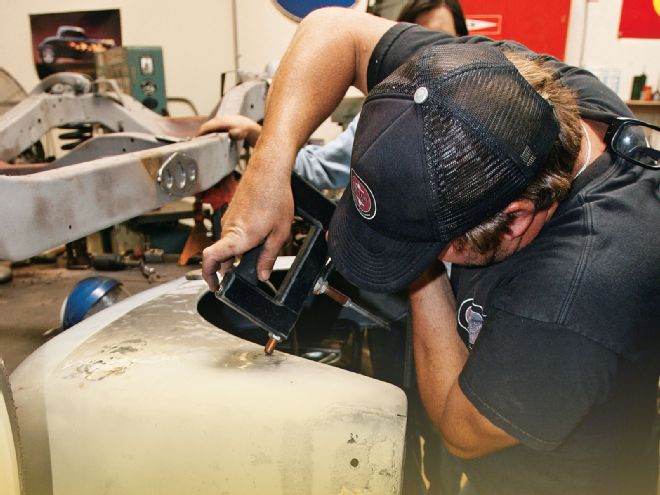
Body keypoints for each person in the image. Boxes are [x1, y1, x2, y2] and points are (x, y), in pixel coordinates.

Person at [202, 7, 660, 495]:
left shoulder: (578, 286)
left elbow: (462, 428)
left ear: (515, 220)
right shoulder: (489, 90)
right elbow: (334, 30)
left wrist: (417, 268)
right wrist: (268, 168)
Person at [197, 0, 468, 190]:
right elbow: (321, 168)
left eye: (439, 40)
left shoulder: (487, 118)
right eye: (416, 45)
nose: (429, 57)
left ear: (464, 41)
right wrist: (259, 136)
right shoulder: (383, 118)